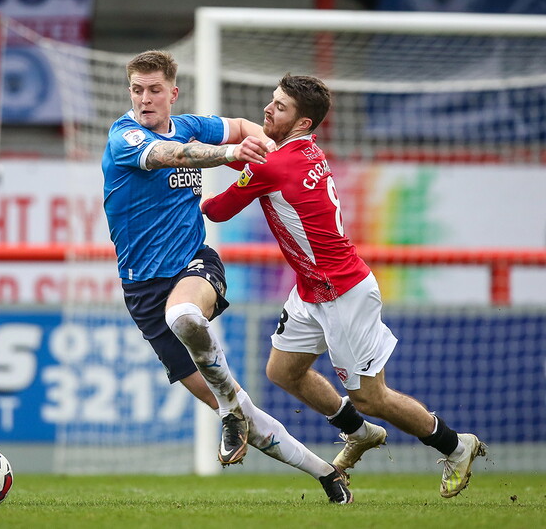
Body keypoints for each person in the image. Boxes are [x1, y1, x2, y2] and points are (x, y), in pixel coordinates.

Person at [201, 73, 487, 498]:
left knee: (372, 395)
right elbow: (255, 165)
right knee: (283, 370)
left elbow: (217, 209)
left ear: (302, 124)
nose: (268, 109)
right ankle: (359, 432)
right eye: (272, 100)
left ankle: (454, 444)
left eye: (279, 107)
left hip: (342, 293)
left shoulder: (274, 164)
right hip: (311, 289)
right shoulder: (299, 154)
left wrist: (182, 170)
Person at [102, 50, 352, 503]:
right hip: (141, 289)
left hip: (194, 265)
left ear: (172, 93)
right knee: (240, 409)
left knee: (184, 314)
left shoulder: (192, 123)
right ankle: (325, 474)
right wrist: (231, 154)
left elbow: (239, 126)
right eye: (137, 90)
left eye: (154, 89)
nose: (144, 99)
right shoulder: (125, 137)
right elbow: (170, 155)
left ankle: (230, 411)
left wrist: (271, 152)